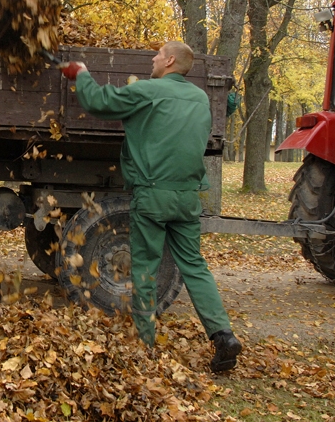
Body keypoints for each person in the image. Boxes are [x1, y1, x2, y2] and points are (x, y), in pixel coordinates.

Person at [60, 41, 242, 372]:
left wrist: (82, 75)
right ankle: (223, 335)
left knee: (144, 266)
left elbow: (99, 102)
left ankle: (145, 344)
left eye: (157, 55)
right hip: (188, 197)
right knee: (195, 265)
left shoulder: (149, 91)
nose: (153, 59)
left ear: (170, 61)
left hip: (153, 195)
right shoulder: (201, 98)